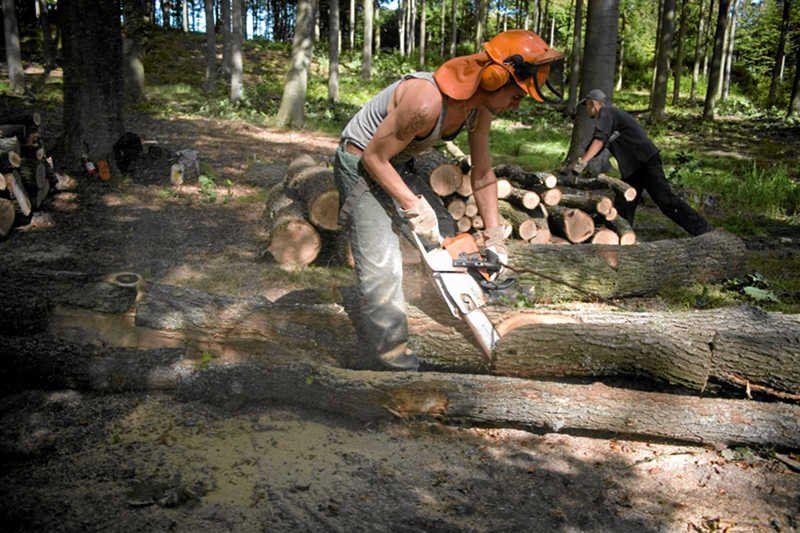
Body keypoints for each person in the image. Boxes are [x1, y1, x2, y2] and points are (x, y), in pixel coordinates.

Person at [334, 30, 565, 371]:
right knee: (383, 268)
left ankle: (442, 312)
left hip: (396, 163)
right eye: (516, 95)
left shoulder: (477, 108)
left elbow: (484, 175)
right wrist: (413, 205)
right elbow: (374, 158)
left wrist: (495, 235)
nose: (517, 104)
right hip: (363, 164)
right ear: (494, 77)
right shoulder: (425, 100)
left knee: (453, 241)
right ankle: (393, 363)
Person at [571, 89, 713, 236]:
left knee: (665, 200)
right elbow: (597, 146)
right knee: (624, 200)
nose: (586, 110)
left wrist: (583, 163)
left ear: (593, 104)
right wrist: (579, 160)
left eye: (587, 106)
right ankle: (619, 233)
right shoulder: (608, 118)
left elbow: (599, 140)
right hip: (633, 167)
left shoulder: (606, 113)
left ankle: (703, 229)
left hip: (646, 161)